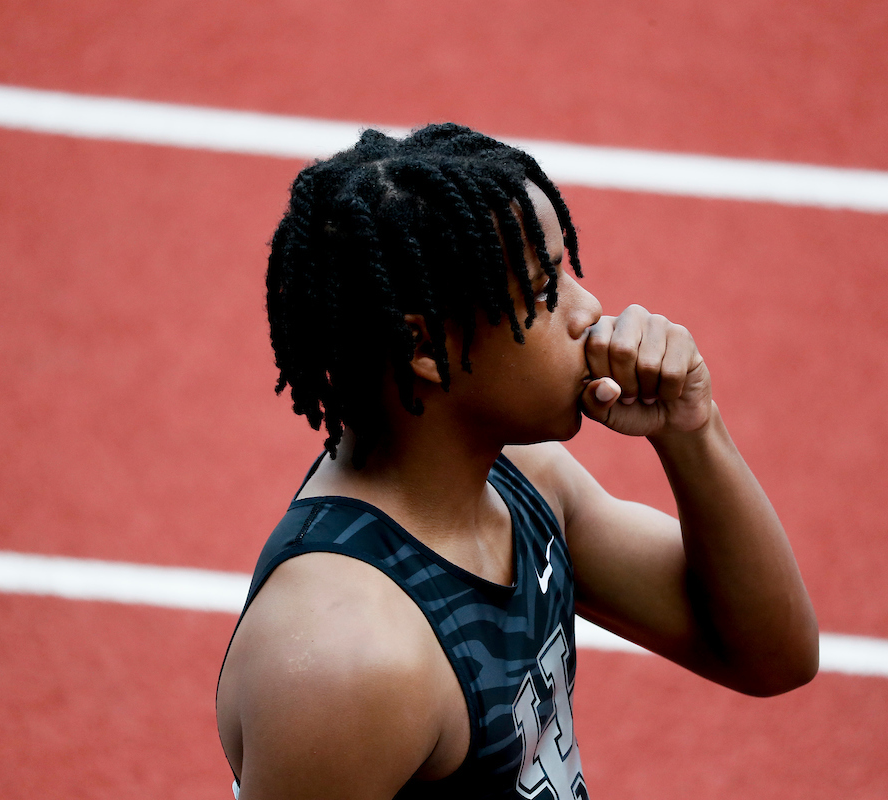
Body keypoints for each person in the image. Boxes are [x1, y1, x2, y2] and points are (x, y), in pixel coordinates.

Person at [215, 123, 818, 800]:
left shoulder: (526, 482)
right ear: (423, 346)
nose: (588, 310)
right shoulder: (348, 661)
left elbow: (773, 655)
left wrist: (692, 430)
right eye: (540, 292)